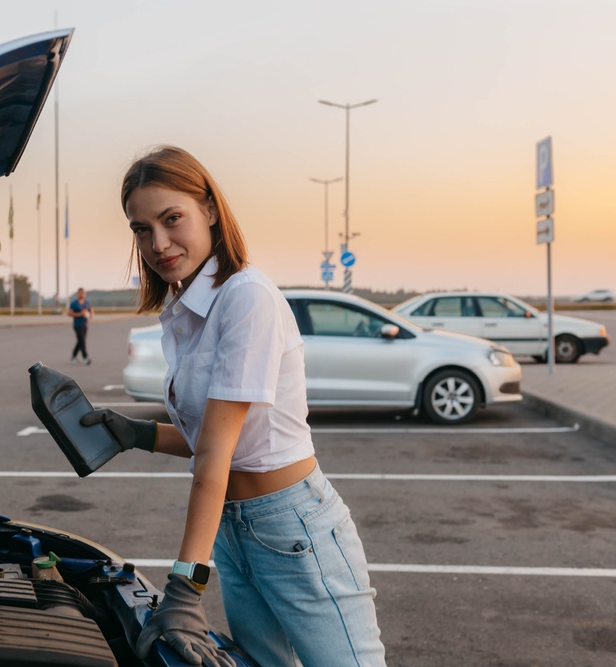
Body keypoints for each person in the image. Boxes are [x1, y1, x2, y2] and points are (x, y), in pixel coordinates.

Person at [80, 147, 386, 667]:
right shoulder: (186, 310)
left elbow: (216, 457)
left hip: (293, 527)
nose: (157, 242)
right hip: (234, 527)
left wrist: (185, 587)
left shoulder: (246, 298)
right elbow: (223, 441)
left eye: (171, 218)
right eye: (140, 228)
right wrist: (136, 433)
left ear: (211, 210)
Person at [66, 287, 93, 364]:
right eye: (80, 293)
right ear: (77, 294)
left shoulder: (87, 303)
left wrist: (89, 315)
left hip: (85, 325)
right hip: (77, 325)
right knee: (82, 341)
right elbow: (70, 313)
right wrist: (80, 314)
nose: (82, 294)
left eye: (83, 293)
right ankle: (85, 357)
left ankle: (73, 356)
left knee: (81, 341)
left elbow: (90, 311)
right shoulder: (74, 303)